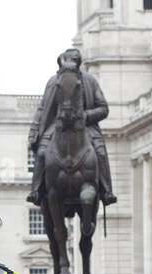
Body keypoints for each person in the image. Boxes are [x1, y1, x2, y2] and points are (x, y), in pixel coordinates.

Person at [27, 48, 117, 207]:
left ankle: (107, 191)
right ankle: (36, 190)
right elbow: (42, 109)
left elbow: (103, 108)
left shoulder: (90, 81)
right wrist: (34, 131)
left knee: (100, 152)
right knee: (42, 153)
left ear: (78, 64)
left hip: (84, 125)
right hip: (58, 125)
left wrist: (86, 116)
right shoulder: (53, 82)